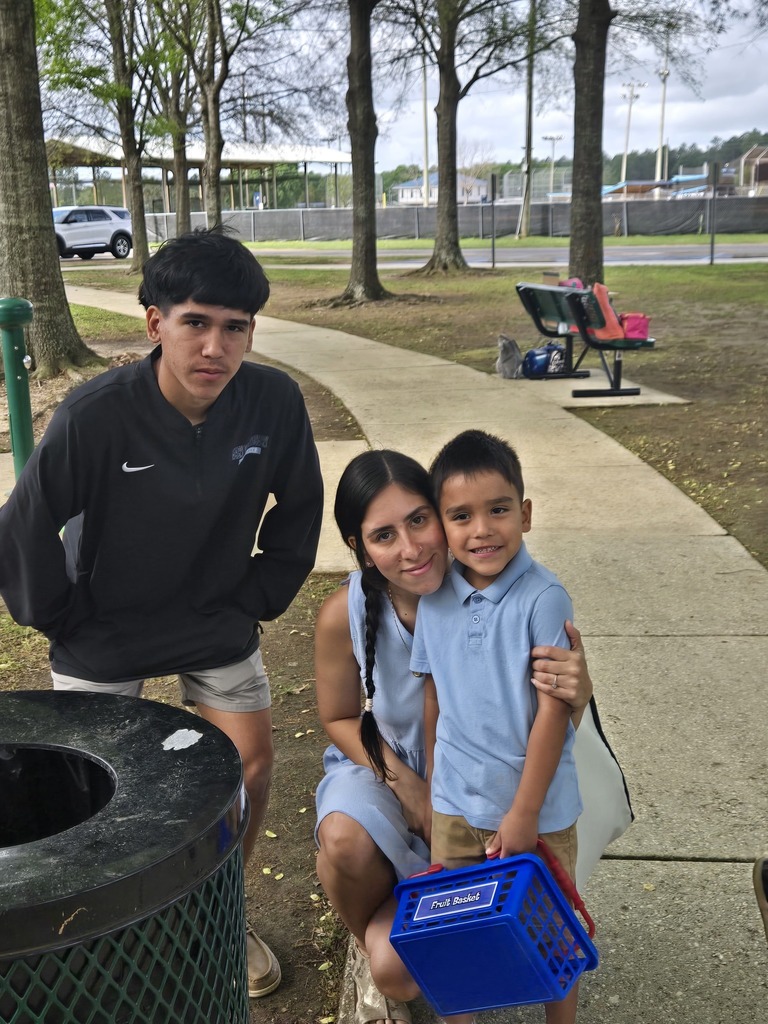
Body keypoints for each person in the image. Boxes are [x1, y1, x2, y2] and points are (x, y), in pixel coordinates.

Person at [0, 227, 324, 999]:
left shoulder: (273, 403)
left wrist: (258, 593)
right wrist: (59, 615)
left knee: (249, 765)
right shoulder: (95, 415)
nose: (215, 347)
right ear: (156, 323)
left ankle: (222, 909)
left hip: (214, 615)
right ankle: (97, 936)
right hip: (104, 629)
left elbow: (302, 507)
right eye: (196, 323)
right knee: (89, 796)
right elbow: (24, 524)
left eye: (235, 327)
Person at [313, 449, 615, 1024]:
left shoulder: (505, 587)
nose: (411, 548)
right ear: (359, 547)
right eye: (383, 535)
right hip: (396, 771)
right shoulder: (347, 613)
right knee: (394, 921)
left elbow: (540, 714)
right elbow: (342, 716)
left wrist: (579, 689)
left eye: (419, 520)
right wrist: (413, 787)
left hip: (487, 788)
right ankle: (371, 946)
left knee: (530, 926)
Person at [411, 429, 586, 1024]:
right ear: (442, 526)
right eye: (461, 516)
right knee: (455, 933)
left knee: (552, 933)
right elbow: (434, 699)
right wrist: (434, 789)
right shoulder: (433, 600)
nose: (482, 529)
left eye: (499, 510)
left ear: (526, 514)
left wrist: (524, 813)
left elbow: (554, 710)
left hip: (539, 810)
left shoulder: (545, 597)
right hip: (456, 807)